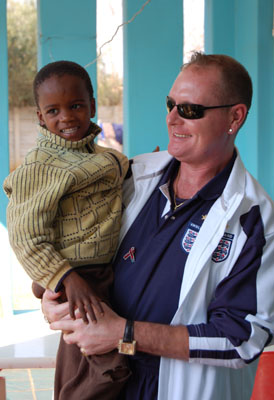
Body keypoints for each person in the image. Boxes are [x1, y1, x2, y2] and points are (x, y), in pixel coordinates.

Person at [44, 52, 274, 400]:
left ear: (235, 117)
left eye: (189, 110)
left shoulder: (254, 220)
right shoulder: (131, 175)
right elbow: (77, 247)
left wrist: (124, 333)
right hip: (100, 383)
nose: (171, 119)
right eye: (170, 104)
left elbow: (241, 339)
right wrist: (55, 291)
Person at [3, 60, 130, 399]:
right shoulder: (40, 167)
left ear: (91, 105)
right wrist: (66, 278)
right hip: (76, 277)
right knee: (105, 366)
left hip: (102, 273)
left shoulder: (103, 158)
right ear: (40, 117)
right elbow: (26, 236)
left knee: (84, 363)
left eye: (75, 106)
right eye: (54, 110)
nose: (67, 118)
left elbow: (119, 177)